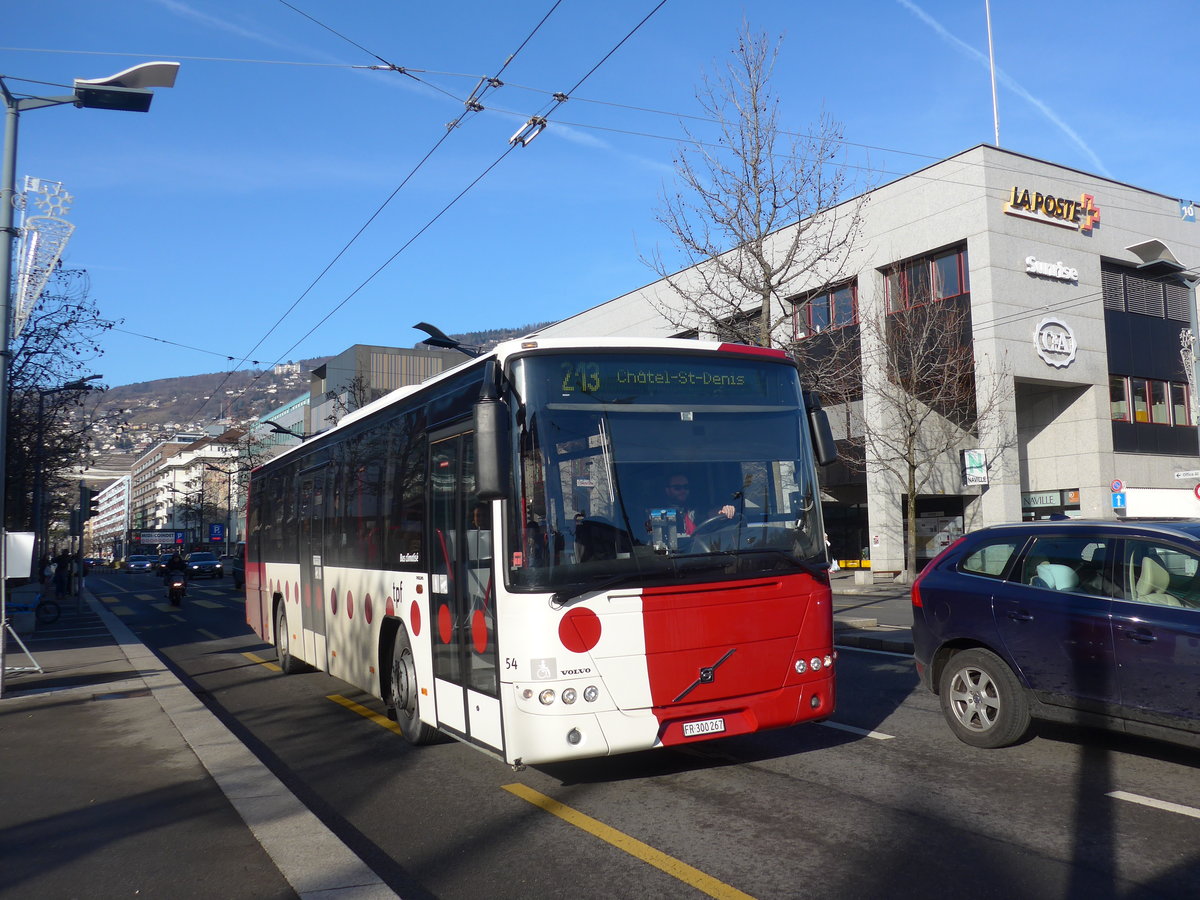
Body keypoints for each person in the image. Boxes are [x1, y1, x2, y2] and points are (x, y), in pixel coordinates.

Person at [660, 474, 736, 536]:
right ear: (667, 490)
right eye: (677, 488)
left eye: (686, 487)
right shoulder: (659, 512)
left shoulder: (694, 509)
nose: (683, 491)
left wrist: (724, 510)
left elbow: (709, 513)